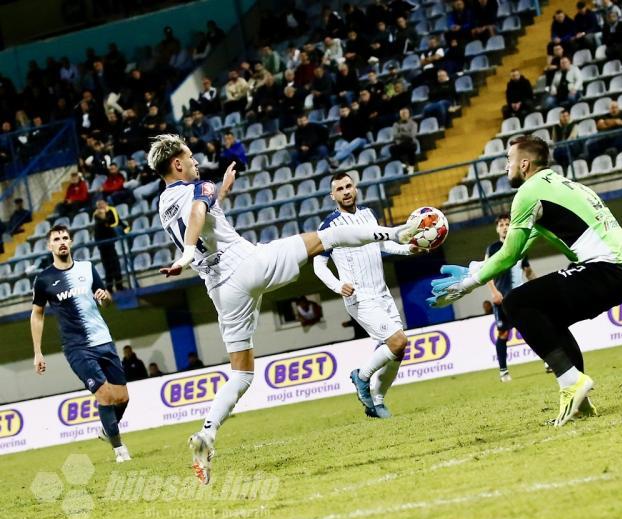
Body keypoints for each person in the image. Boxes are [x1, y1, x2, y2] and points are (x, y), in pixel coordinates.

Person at [149, 134, 417, 484]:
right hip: (245, 265)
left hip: (220, 290)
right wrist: (185, 253)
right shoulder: (199, 187)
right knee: (328, 239)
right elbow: (199, 210)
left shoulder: (163, 203)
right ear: (178, 164)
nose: (197, 162)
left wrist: (222, 192)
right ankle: (395, 234)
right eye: (190, 157)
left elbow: (203, 215)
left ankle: (208, 434)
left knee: (242, 374)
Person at [427, 135, 622, 427]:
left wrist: (468, 284)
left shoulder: (528, 193)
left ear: (524, 164)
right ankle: (581, 402)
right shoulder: (562, 185)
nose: (505, 168)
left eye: (508, 161)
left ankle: (571, 383)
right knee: (548, 317)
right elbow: (514, 251)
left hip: (606, 269)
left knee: (516, 302)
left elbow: (510, 253)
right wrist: (474, 268)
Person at [314, 172, 421, 418]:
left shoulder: (369, 214)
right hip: (359, 297)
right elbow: (319, 264)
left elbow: (383, 245)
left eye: (349, 186)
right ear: (333, 196)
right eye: (339, 189)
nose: (346, 191)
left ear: (356, 188)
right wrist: (337, 285)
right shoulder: (328, 226)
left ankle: (378, 401)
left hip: (381, 293)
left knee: (398, 351)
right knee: (398, 341)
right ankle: (361, 376)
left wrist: (408, 249)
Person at [30, 224, 131, 462]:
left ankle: (107, 430)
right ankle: (119, 450)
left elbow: (104, 298)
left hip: (103, 339)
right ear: (49, 245)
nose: (62, 241)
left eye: (65, 237)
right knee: (104, 396)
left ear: (71, 242)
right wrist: (38, 351)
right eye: (57, 239)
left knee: (123, 397)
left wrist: (106, 298)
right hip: (77, 347)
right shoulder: (44, 279)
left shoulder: (88, 268)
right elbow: (37, 314)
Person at [485, 214, 534, 382]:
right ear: (497, 228)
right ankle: (503, 371)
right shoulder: (492, 249)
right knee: (503, 333)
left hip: (520, 297)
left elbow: (527, 270)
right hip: (502, 299)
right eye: (501, 225)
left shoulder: (520, 245)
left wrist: (538, 285)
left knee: (533, 328)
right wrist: (494, 292)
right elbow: (486, 273)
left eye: (507, 224)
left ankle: (549, 362)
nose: (505, 227)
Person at [93, 199, 126, 292]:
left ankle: (113, 287)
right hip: (106, 247)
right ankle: (112, 287)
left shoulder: (102, 221)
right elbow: (107, 231)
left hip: (108, 246)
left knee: (112, 266)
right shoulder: (100, 224)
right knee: (111, 267)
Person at [390, 107, 418, 171]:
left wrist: (401, 133)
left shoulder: (413, 124)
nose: (404, 115)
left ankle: (411, 166)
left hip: (410, 143)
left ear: (408, 114)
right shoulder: (396, 124)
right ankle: (402, 165)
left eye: (405, 113)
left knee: (411, 146)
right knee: (392, 148)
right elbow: (394, 135)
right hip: (400, 144)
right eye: (402, 114)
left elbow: (412, 135)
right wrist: (405, 134)